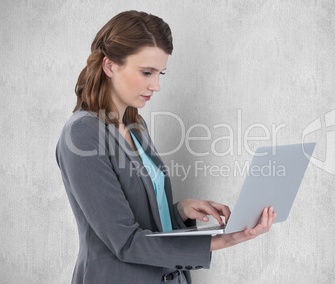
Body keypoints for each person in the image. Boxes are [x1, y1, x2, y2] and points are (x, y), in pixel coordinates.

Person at [56, 10, 276, 284]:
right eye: (147, 72)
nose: (156, 85)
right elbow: (125, 242)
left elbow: (142, 218)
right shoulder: (82, 133)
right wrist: (223, 240)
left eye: (160, 73)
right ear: (109, 66)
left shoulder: (137, 127)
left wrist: (180, 211)